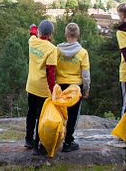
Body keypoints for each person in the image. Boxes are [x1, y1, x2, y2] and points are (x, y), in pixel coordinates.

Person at [24, 20, 58, 155]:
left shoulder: (32, 41)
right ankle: (38, 146)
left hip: (31, 85)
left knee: (31, 113)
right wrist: (53, 90)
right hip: (43, 89)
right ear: (51, 34)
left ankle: (28, 140)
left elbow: (32, 32)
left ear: (39, 32)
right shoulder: (52, 49)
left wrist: (33, 27)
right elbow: (50, 73)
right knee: (41, 117)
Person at [56, 22, 90, 153]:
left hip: (60, 86)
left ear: (66, 35)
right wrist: (86, 89)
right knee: (73, 116)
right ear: (78, 35)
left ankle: (55, 138)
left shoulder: (57, 50)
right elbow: (85, 75)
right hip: (76, 88)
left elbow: (52, 68)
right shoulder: (83, 53)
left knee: (59, 114)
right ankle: (68, 141)